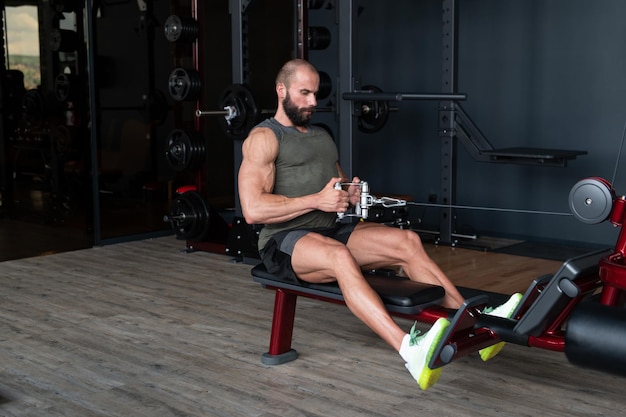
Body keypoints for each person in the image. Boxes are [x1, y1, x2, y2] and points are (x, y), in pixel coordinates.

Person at [238, 58, 522, 390]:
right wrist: (316, 200)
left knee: (408, 242)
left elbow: (337, 185)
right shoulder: (264, 138)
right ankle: (409, 350)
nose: (314, 102)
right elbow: (253, 210)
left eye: (316, 94)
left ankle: (477, 326)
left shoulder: (320, 137)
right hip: (284, 241)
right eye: (305, 93)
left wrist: (350, 192)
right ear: (281, 90)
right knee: (338, 257)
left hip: (331, 228)